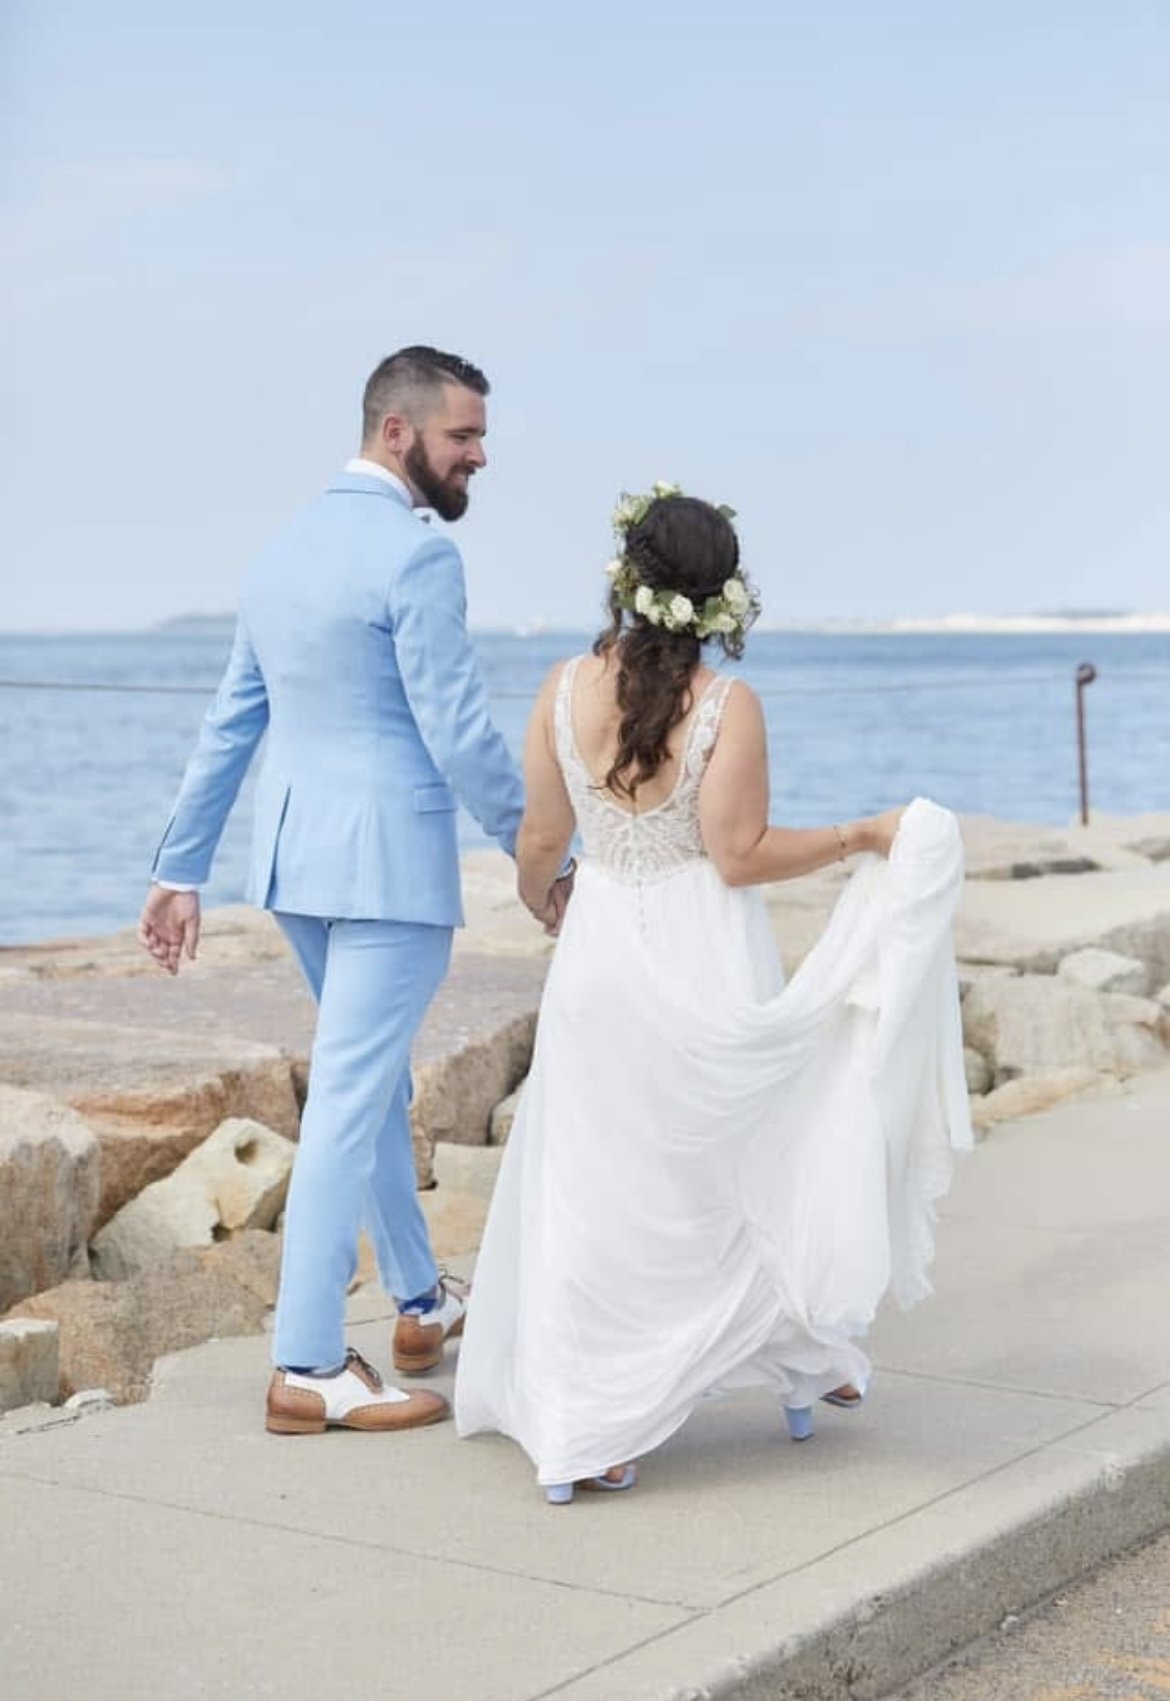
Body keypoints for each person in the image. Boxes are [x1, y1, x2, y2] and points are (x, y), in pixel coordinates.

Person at [454, 486, 971, 1502]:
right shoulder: (728, 707)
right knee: (744, 1158)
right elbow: (737, 856)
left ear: (625, 579)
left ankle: (590, 1427)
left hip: (600, 947)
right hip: (703, 947)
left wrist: (545, 900)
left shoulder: (562, 689)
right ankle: (801, 1364)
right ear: (722, 598)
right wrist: (860, 837)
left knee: (596, 1181)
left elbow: (539, 843)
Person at [139, 345, 570, 1435]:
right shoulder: (417, 557)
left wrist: (180, 865)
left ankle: (420, 1300)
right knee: (346, 1101)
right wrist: (537, 855)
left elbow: (235, 716)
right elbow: (458, 725)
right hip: (384, 872)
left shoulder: (282, 547)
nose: (481, 454)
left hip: (296, 864)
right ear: (398, 433)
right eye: (463, 436)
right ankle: (309, 1367)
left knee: (366, 1087)